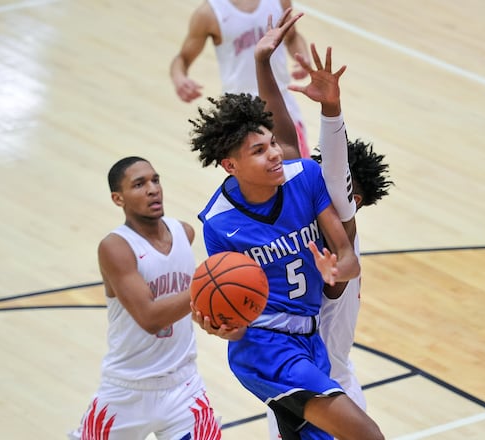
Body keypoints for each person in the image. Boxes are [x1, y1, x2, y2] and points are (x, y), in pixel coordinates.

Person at [187, 10, 385, 439]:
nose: (275, 153)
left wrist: (338, 271)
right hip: (267, 348)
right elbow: (231, 302)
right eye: (259, 150)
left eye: (272, 143)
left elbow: (346, 257)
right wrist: (223, 324)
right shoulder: (220, 223)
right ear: (230, 165)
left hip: (311, 343)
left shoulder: (306, 179)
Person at [252, 13, 393, 437]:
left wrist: (332, 109)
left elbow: (332, 167)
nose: (315, 175)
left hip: (328, 386)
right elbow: (289, 141)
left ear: (354, 198)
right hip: (299, 385)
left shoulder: (342, 232)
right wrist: (263, 62)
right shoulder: (312, 209)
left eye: (333, 180)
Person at [69, 157, 221, 440]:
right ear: (118, 198)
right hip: (127, 391)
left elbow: (191, 309)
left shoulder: (184, 233)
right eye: (139, 184)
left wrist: (220, 320)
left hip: (184, 384)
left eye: (155, 180)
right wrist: (208, 285)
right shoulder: (116, 248)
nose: (152, 189)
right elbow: (150, 318)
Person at [170, 0, 312, 158]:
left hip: (280, 100)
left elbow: (292, 37)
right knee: (257, 175)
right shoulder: (208, 14)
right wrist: (179, 78)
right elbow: (182, 58)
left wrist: (302, 56)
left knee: (300, 166)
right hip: (241, 110)